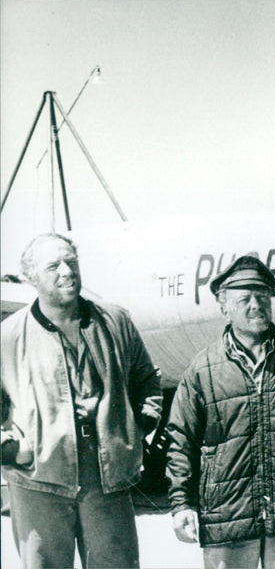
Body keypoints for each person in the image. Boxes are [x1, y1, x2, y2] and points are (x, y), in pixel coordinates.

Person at [0, 232, 163, 569]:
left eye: (71, 261)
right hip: (39, 481)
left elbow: (147, 381)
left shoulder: (116, 321)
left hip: (107, 481)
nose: (67, 271)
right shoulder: (8, 336)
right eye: (53, 266)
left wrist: (134, 430)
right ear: (31, 278)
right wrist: (12, 450)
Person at [166, 255, 275, 569]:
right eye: (245, 299)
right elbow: (181, 441)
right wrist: (182, 503)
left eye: (263, 297)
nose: (256, 305)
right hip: (227, 518)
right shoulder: (203, 369)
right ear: (224, 307)